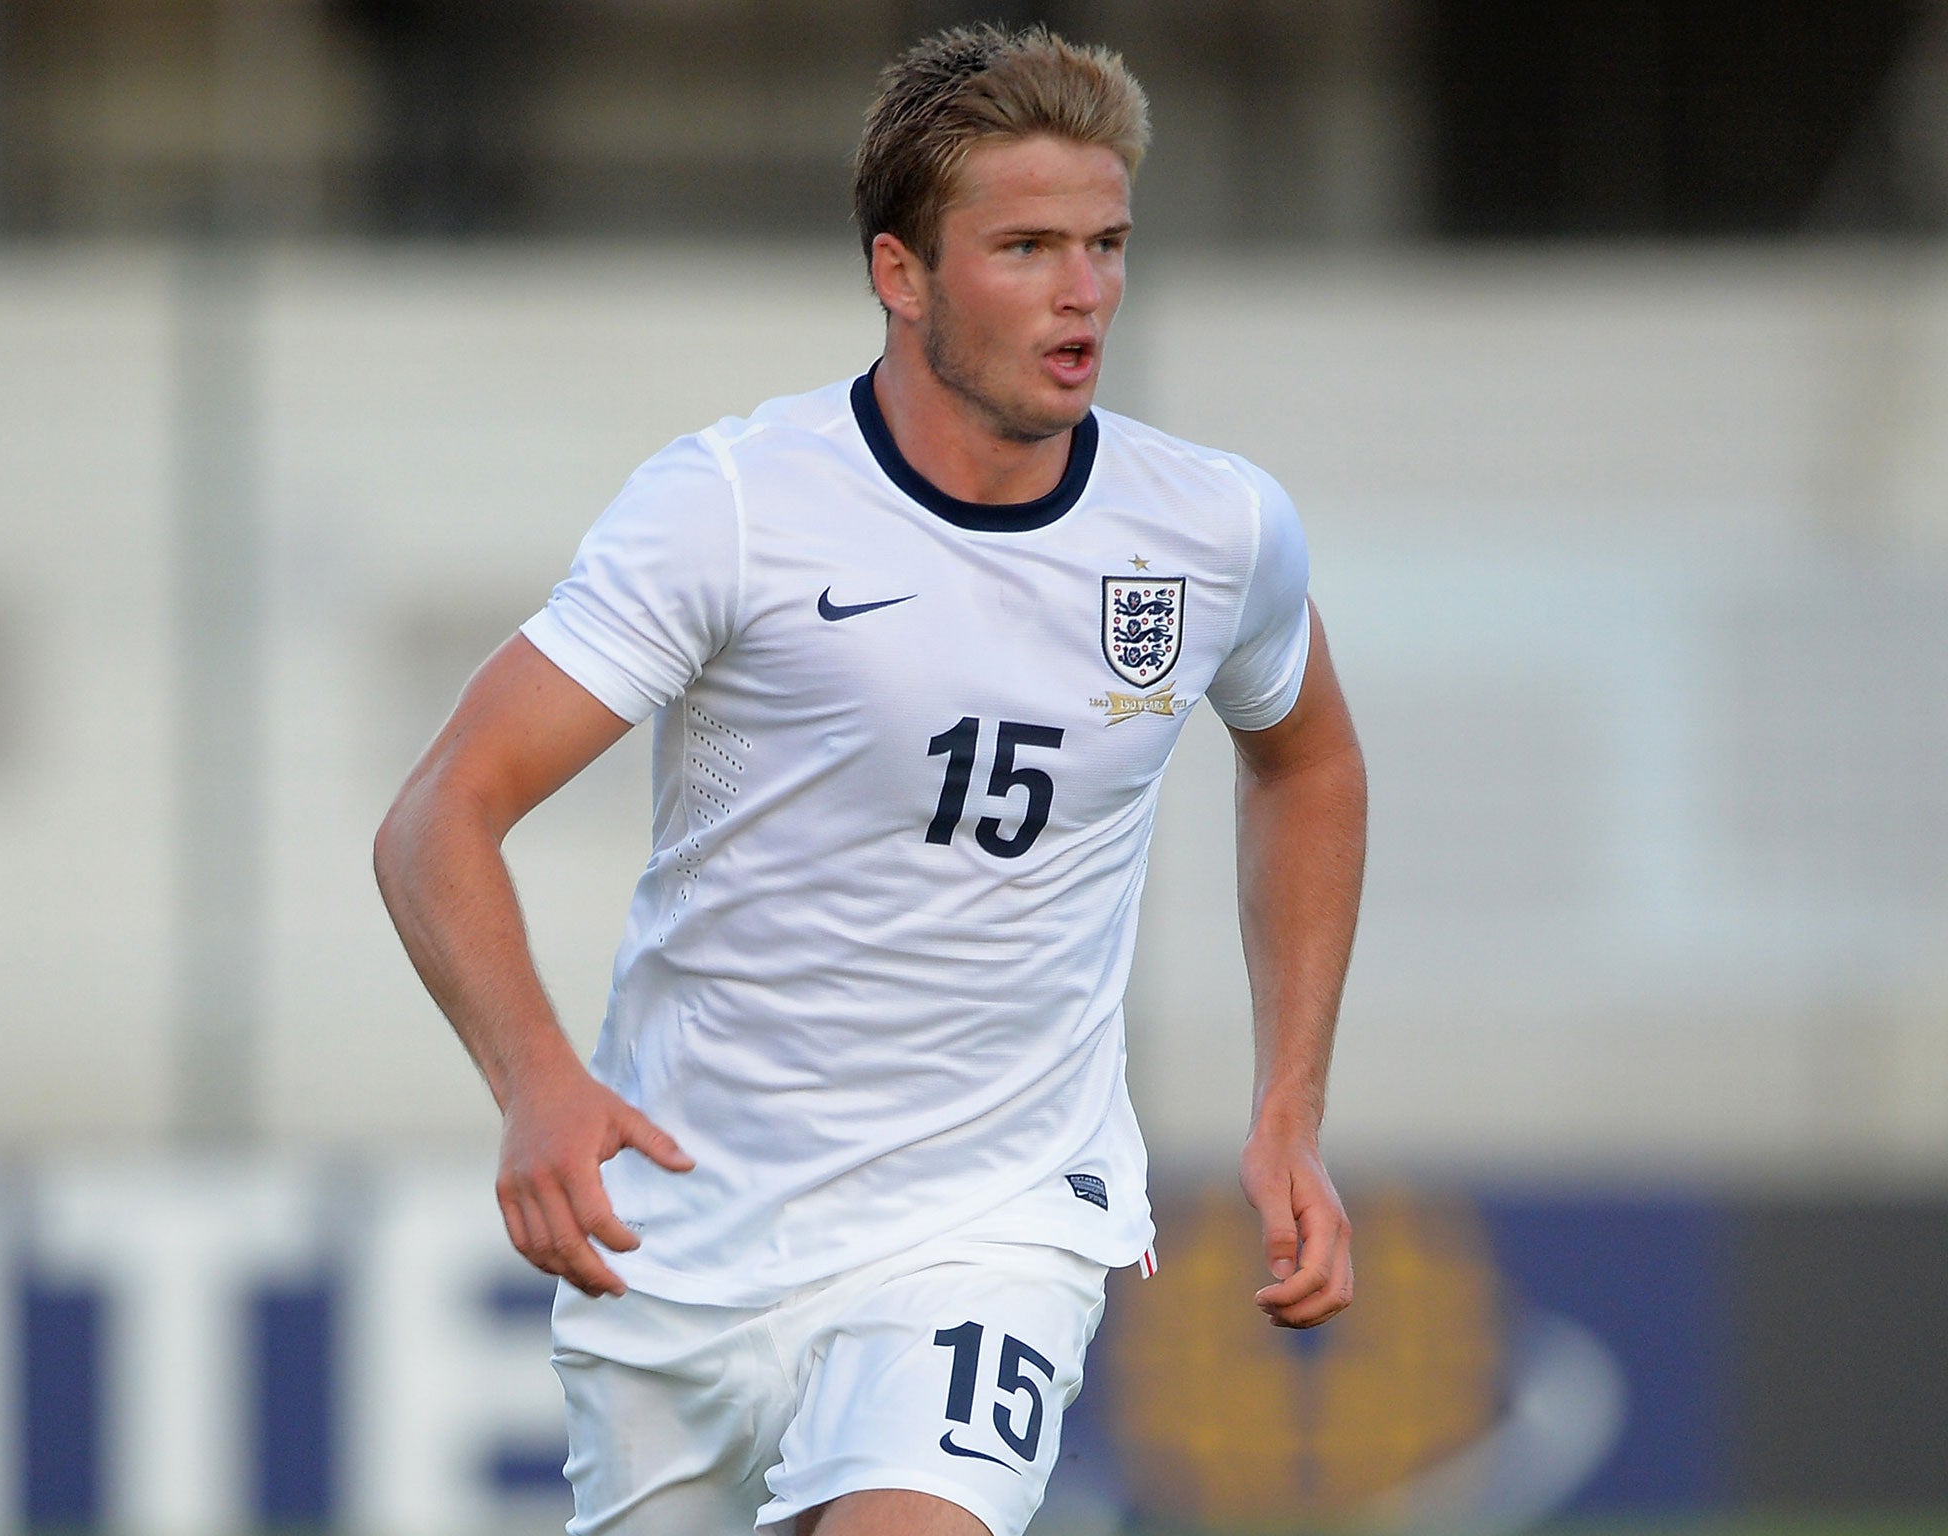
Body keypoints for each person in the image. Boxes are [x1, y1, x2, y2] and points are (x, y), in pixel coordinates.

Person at [374, 23, 1366, 1536]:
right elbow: (441, 813)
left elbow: (1305, 763)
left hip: (988, 1224)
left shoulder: (1213, 530)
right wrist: (536, 1085)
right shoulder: (733, 511)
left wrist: (1288, 1106)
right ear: (902, 275)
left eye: (1105, 242)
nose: (1085, 290)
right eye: (1026, 245)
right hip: (686, 1234)